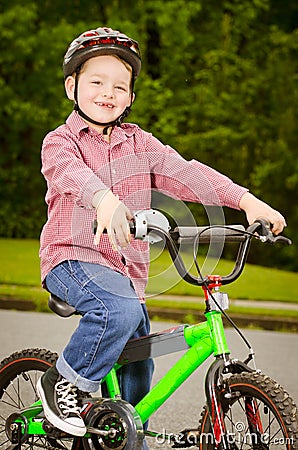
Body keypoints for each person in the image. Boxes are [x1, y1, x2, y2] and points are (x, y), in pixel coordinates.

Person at [37, 26, 286, 445]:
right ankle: (65, 384)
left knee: (139, 360)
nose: (108, 92)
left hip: (126, 274)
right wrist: (104, 201)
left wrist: (246, 201)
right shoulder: (60, 142)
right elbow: (71, 176)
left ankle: (126, 434)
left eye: (120, 86)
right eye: (96, 81)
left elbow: (189, 174)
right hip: (73, 259)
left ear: (130, 97)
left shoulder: (141, 143)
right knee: (118, 312)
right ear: (71, 87)